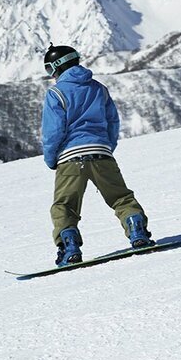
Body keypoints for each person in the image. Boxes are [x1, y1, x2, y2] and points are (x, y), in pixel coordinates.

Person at [42, 44, 154, 267]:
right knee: (120, 197)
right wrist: (106, 148)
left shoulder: (56, 93)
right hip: (102, 153)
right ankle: (137, 231)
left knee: (64, 205)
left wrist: (50, 157)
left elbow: (53, 131)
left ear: (56, 67)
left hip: (70, 158)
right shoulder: (99, 89)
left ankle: (69, 248)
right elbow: (113, 122)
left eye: (49, 70)